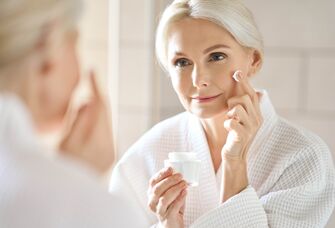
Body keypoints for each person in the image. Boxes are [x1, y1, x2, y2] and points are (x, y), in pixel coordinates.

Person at [109, 0, 335, 227]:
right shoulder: (147, 153)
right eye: (182, 62)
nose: (198, 80)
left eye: (216, 56)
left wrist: (234, 162)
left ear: (253, 60)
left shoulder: (303, 157)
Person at [0, 0, 138, 227]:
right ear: (47, 43)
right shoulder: (98, 212)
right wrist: (79, 183)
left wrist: (68, 170)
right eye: (75, 41)